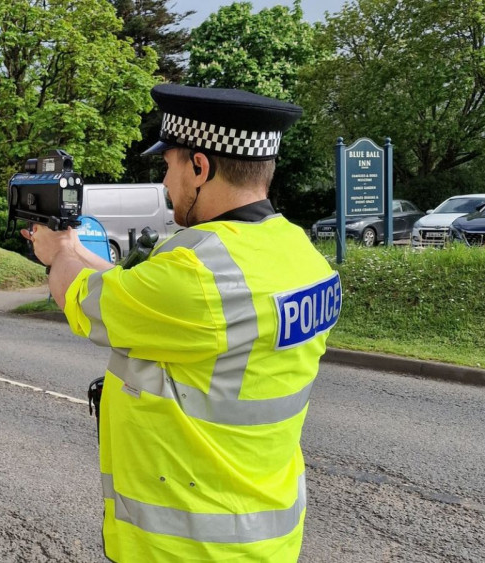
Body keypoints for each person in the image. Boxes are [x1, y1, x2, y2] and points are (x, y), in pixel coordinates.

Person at [22, 84, 341, 562]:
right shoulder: (300, 256)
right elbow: (144, 296)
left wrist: (59, 252)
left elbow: (83, 296)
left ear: (200, 166)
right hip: (266, 532)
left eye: (168, 166)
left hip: (190, 546)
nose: (167, 182)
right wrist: (77, 247)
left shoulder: (198, 273)